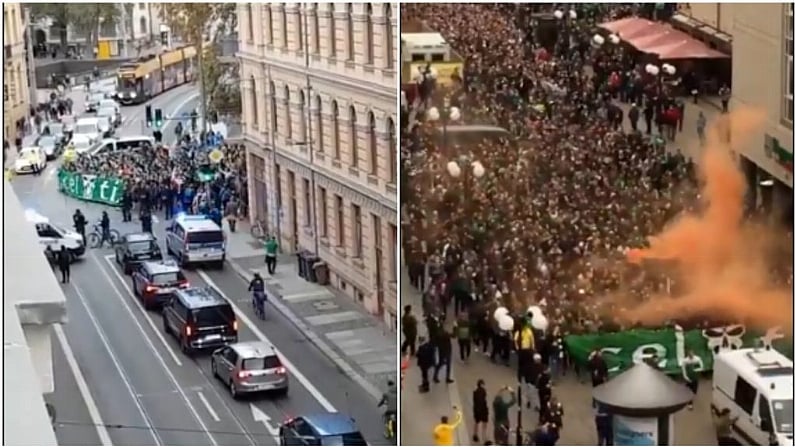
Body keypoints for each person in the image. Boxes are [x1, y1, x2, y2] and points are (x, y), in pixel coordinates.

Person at [472, 379, 488, 443]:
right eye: (483, 384)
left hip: (476, 410)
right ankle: (485, 439)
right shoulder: (483, 391)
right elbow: (483, 400)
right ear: (481, 384)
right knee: (485, 425)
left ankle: (475, 435)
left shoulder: (475, 391)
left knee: (476, 423)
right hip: (483, 410)